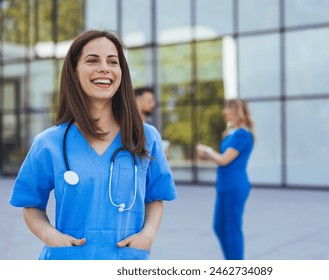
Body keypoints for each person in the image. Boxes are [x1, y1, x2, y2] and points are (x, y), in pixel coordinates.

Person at [9, 30, 177, 260]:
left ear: (121, 73)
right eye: (92, 60)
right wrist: (49, 235)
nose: (104, 68)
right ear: (74, 72)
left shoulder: (145, 137)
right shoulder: (49, 143)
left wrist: (148, 234)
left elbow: (155, 196)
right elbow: (30, 205)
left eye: (113, 61)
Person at [196, 98, 255, 260]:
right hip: (224, 186)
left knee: (232, 228)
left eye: (228, 108)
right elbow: (222, 159)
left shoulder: (243, 134)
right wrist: (208, 154)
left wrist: (207, 150)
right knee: (220, 226)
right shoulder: (231, 133)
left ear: (237, 111)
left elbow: (224, 160)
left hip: (235, 186)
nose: (225, 112)